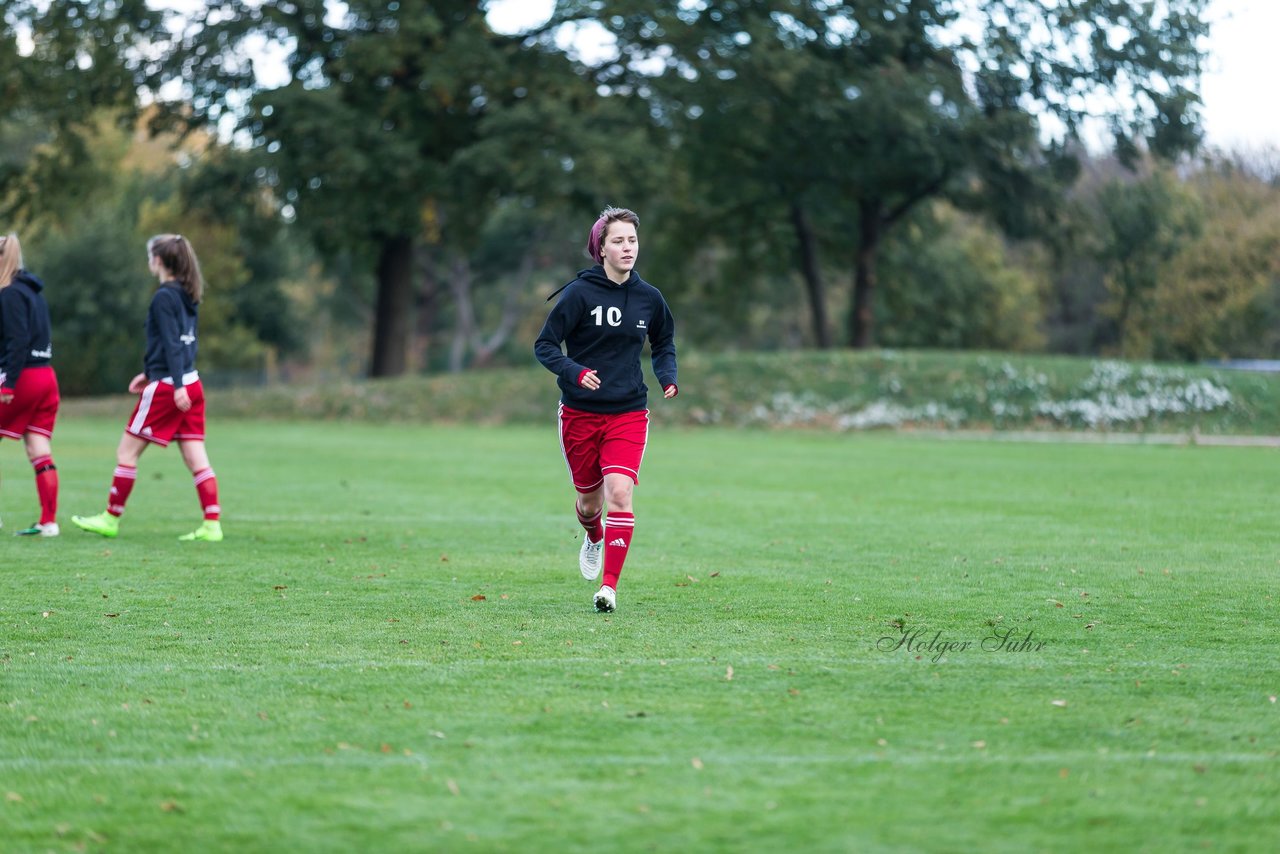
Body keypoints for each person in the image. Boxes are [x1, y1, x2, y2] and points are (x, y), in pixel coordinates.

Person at [534, 206, 678, 613]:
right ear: (601, 248)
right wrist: (575, 372)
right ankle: (593, 536)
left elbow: (664, 342)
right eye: (618, 240)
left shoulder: (651, 298)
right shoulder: (578, 294)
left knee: (620, 491)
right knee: (589, 504)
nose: (627, 247)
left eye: (632, 239)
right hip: (579, 413)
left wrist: (667, 375)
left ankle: (608, 588)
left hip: (628, 411)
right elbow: (545, 345)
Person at [72, 234, 223, 542]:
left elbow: (170, 343)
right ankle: (212, 525)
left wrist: (172, 382)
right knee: (196, 458)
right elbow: (184, 344)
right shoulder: (188, 293)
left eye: (150, 256)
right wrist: (150, 372)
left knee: (126, 452)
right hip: (191, 382)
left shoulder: (164, 296)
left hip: (172, 386)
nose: (148, 262)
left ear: (159, 260)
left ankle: (110, 519)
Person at [0, 233, 61, 537]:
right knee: (38, 447)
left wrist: (9, 383)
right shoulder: (34, 292)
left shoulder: (10, 293)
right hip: (46, 377)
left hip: (22, 378)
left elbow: (17, 339)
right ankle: (49, 522)